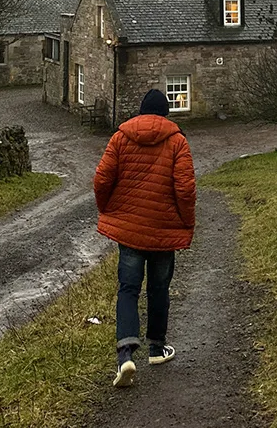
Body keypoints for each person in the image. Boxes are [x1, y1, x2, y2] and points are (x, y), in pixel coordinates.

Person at [93, 88, 196, 388]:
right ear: (164, 113)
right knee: (159, 288)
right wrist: (186, 223)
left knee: (128, 288)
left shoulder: (120, 138)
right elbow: (186, 190)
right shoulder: (178, 141)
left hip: (129, 230)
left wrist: (108, 209)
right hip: (164, 230)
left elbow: (101, 179)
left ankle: (125, 354)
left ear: (140, 112)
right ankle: (156, 348)